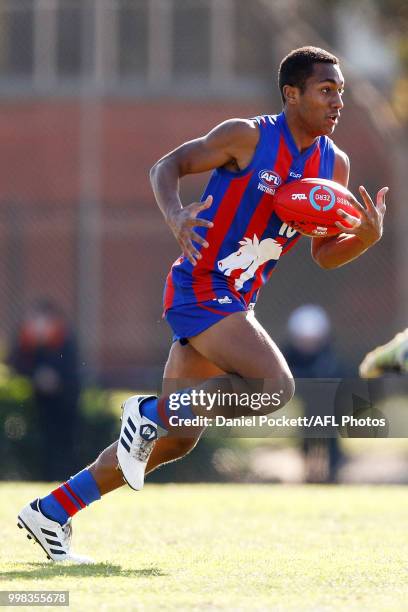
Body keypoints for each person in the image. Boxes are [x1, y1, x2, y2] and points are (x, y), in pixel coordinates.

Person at [17, 46, 388, 563]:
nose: (337, 102)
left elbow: (325, 255)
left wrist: (365, 239)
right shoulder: (247, 136)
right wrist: (175, 215)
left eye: (340, 92)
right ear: (292, 94)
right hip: (201, 286)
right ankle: (147, 411)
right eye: (326, 91)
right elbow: (165, 166)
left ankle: (51, 511)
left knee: (177, 437)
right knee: (274, 389)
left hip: (238, 299)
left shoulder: (335, 164)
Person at [8, 299, 81, 480]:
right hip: (42, 399)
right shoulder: (29, 339)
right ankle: (48, 477)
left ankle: (66, 477)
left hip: (66, 397)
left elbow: (72, 366)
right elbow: (16, 363)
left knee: (65, 440)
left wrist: (56, 380)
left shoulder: (63, 336)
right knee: (46, 440)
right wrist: (36, 376)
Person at [283, 304, 344, 483]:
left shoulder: (327, 357)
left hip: (326, 404)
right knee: (308, 429)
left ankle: (332, 472)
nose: (307, 343)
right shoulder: (288, 355)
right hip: (306, 404)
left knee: (328, 426)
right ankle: (308, 470)